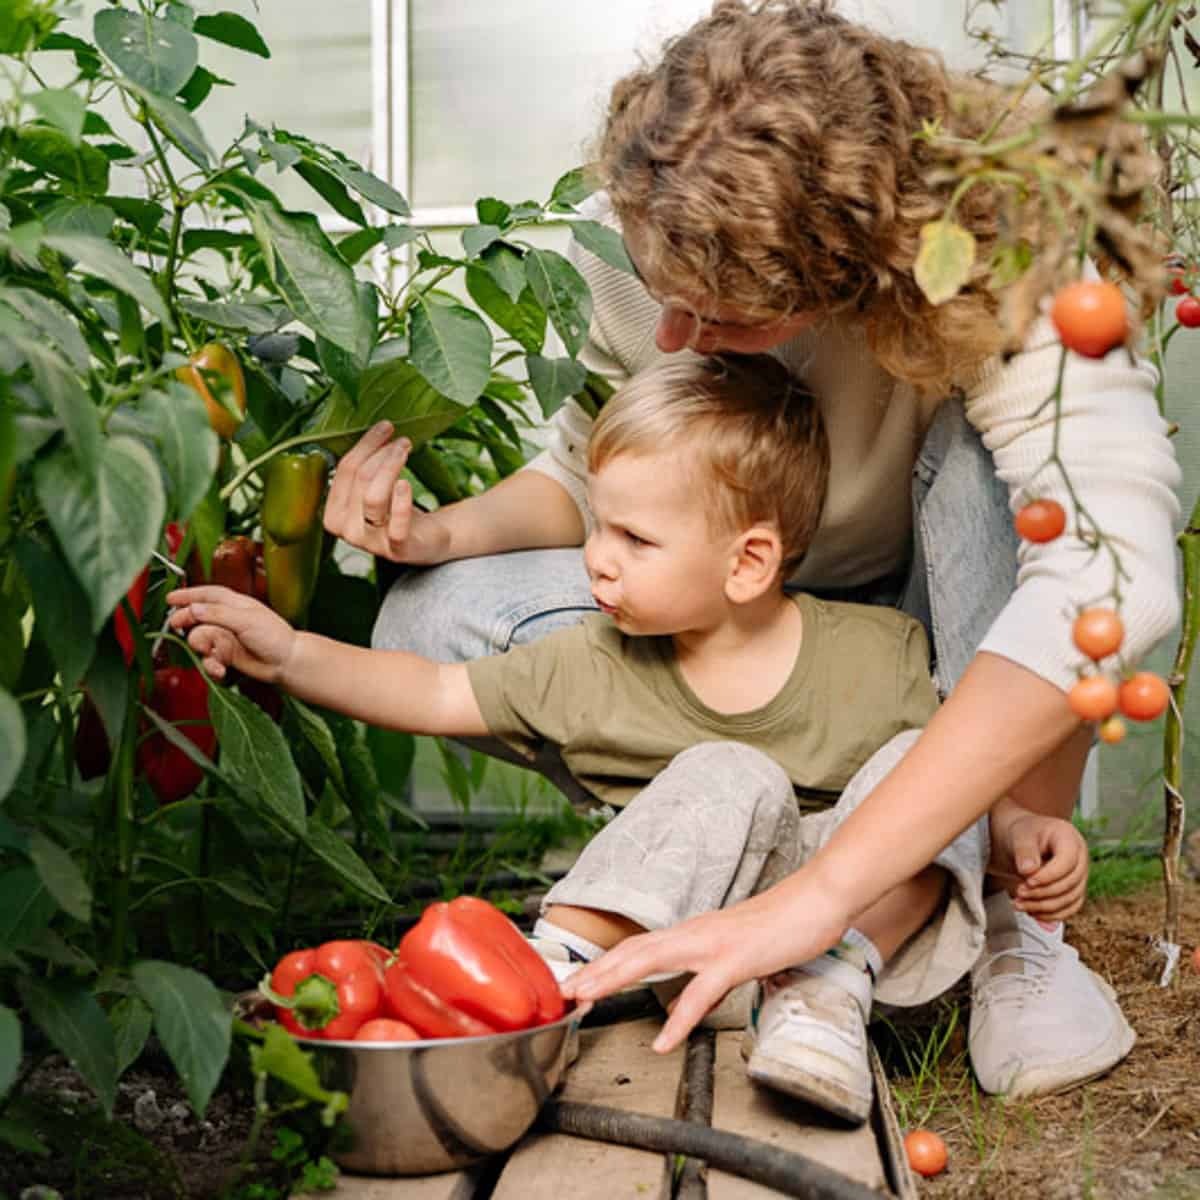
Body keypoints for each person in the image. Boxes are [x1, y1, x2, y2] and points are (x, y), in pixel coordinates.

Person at [323, 1, 1181, 1098]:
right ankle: (758, 839)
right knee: (433, 610)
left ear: (848, 269)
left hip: (929, 631)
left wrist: (811, 905)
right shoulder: (653, 228)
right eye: (660, 297)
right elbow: (590, 472)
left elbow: (1109, 574)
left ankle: (996, 902)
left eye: (721, 318)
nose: (672, 340)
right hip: (738, 628)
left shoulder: (1011, 254)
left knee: (1006, 480)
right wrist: (432, 533)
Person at [170, 354, 1086, 1124]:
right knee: (727, 771)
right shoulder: (596, 661)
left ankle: (821, 995)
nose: (594, 558)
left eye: (633, 537)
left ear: (749, 562)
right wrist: (290, 652)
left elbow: (962, 784)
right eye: (596, 523)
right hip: (682, 947)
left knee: (918, 763)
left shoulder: (880, 655)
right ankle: (547, 979)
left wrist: (1020, 832)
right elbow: (434, 686)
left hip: (849, 939)